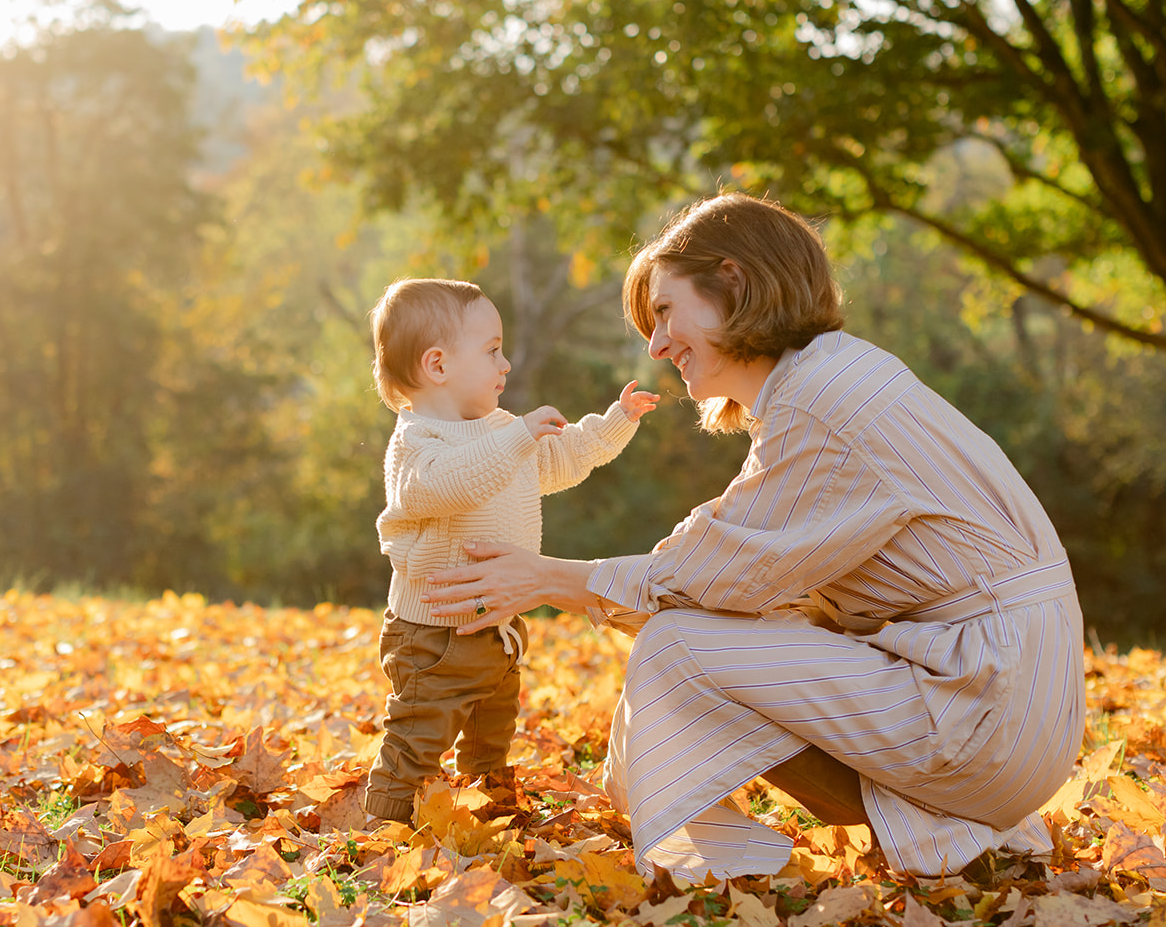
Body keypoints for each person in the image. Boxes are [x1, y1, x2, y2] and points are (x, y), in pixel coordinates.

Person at [420, 194, 1085, 881]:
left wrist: (542, 577)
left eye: (668, 311)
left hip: (991, 704)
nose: (655, 344)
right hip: (1012, 695)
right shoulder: (827, 376)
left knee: (677, 648)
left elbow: (707, 570)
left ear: (732, 281)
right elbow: (733, 566)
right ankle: (953, 831)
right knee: (720, 629)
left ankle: (730, 864)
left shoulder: (819, 399)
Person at [363, 277, 661, 823]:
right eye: (492, 350)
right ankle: (383, 829)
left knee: (491, 730)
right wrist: (518, 436)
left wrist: (616, 423)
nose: (505, 363)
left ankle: (488, 808)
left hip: (497, 625)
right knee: (418, 736)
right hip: (435, 634)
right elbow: (448, 484)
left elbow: (560, 459)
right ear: (437, 365)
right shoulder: (417, 443)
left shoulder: (499, 431)